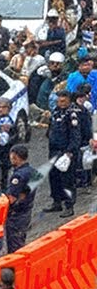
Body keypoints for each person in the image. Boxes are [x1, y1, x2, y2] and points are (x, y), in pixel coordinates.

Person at [46, 90, 81, 218]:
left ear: (69, 101)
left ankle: (69, 205)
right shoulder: (55, 111)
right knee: (54, 177)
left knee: (67, 180)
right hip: (54, 150)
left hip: (66, 151)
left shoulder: (72, 115)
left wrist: (70, 152)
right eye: (59, 100)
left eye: (63, 101)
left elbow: (75, 136)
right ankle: (56, 202)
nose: (60, 103)